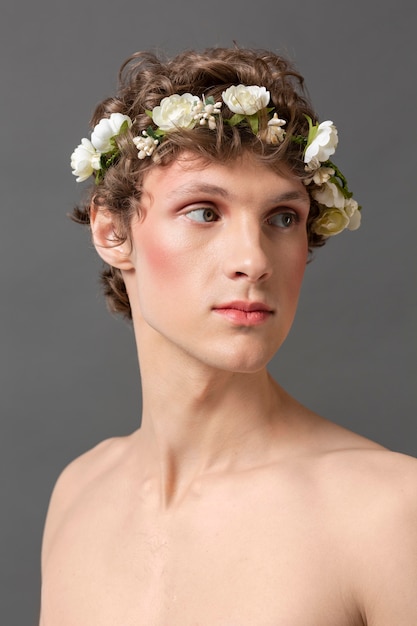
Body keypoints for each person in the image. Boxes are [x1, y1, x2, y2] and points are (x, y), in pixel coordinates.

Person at [39, 47, 417, 625]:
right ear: (113, 232)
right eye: (204, 211)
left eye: (282, 218)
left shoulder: (390, 513)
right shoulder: (78, 493)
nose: (253, 259)